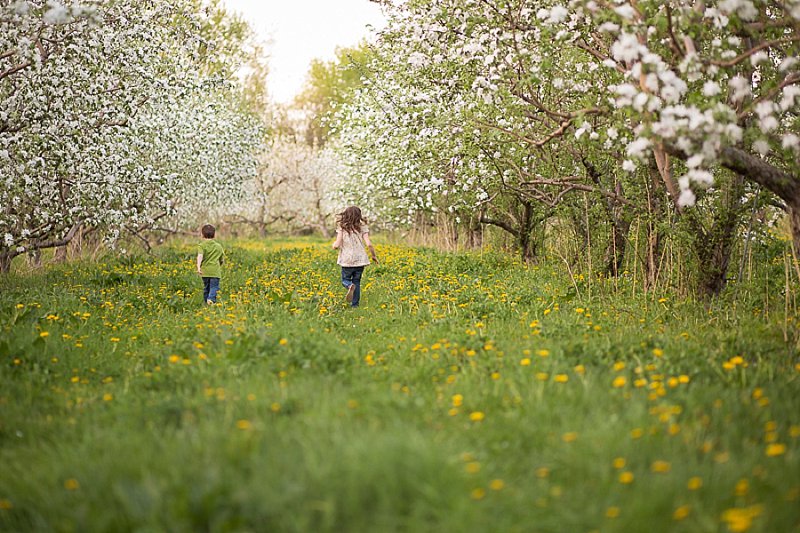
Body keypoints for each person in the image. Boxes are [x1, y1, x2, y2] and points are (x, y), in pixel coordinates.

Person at [332, 206, 378, 308]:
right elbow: (369, 244)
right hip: (360, 259)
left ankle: (349, 285)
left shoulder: (342, 227)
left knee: (345, 279)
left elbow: (337, 244)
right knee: (356, 282)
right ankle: (355, 305)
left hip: (347, 259)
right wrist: (374, 256)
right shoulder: (362, 227)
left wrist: (334, 245)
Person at [196, 224, 224, 305]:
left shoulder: (201, 245)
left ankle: (206, 302)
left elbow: (200, 256)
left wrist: (198, 267)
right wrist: (220, 264)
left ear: (202, 235)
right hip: (215, 272)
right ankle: (210, 300)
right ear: (214, 235)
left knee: (206, 288)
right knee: (214, 287)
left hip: (205, 272)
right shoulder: (219, 246)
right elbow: (221, 259)